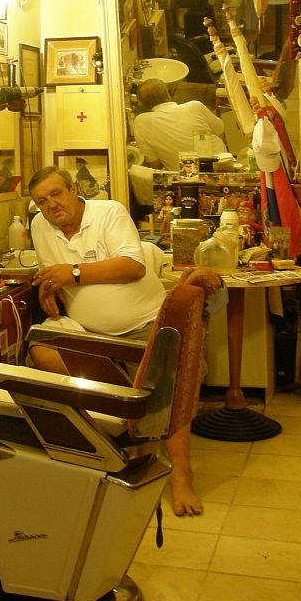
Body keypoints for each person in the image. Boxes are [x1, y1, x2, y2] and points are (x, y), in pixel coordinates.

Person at [27, 166, 223, 517]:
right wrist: (49, 288)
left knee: (168, 382)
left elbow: (133, 267)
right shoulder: (39, 227)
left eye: (57, 194)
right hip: (85, 330)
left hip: (142, 324)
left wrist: (70, 273)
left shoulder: (109, 212)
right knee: (40, 352)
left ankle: (181, 475)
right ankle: (107, 444)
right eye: (42, 201)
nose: (51, 205)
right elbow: (51, 271)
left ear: (73, 190)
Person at [133, 78, 226, 170]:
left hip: (186, 177)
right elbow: (220, 129)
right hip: (222, 165)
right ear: (167, 94)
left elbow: (155, 165)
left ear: (143, 104)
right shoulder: (194, 106)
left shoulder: (141, 123)